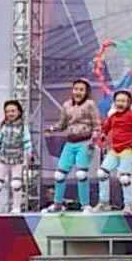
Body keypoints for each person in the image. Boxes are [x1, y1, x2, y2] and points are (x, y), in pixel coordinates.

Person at [44, 78, 100, 213]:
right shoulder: (66, 105)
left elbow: (97, 124)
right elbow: (62, 124)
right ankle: (57, 204)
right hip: (70, 143)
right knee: (59, 175)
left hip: (85, 142)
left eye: (81, 89)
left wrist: (94, 138)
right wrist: (52, 129)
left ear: (86, 92)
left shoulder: (90, 104)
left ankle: (85, 204)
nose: (78, 92)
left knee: (81, 174)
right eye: (76, 89)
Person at [93, 88, 132, 212]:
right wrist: (102, 135)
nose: (120, 103)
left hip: (128, 150)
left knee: (124, 177)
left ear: (129, 103)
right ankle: (104, 202)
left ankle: (128, 205)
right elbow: (105, 128)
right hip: (115, 150)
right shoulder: (112, 117)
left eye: (123, 101)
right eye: (118, 101)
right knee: (102, 173)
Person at [0, 99, 34, 214]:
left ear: (19, 112)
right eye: (7, 111)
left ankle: (16, 206)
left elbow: (27, 141)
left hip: (17, 159)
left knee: (16, 183)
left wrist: (29, 153)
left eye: (13, 111)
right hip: (4, 159)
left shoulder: (23, 127)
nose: (10, 114)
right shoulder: (4, 127)